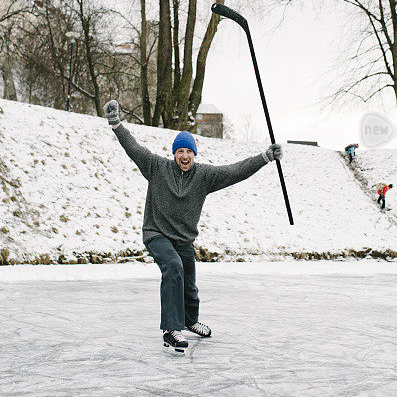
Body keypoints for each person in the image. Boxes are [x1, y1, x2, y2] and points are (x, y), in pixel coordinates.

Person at [104, 99, 283, 353]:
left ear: (194, 154)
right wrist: (116, 124)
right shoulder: (156, 167)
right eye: (180, 152)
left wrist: (265, 157)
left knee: (189, 284)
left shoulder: (204, 176)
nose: (184, 156)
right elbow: (134, 148)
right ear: (174, 154)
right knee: (173, 268)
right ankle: (170, 329)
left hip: (184, 239)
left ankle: (189, 320)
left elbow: (235, 171)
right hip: (157, 233)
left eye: (189, 152)